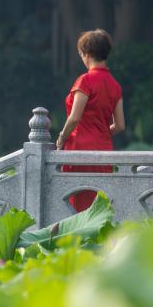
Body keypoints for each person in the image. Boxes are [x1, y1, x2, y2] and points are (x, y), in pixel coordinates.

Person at [55, 29, 126, 213]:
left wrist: (62, 138)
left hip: (79, 151)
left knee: (75, 207)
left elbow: (75, 117)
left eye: (81, 54)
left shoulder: (85, 81)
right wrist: (100, 133)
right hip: (104, 151)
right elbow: (120, 125)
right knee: (98, 207)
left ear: (87, 54)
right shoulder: (115, 85)